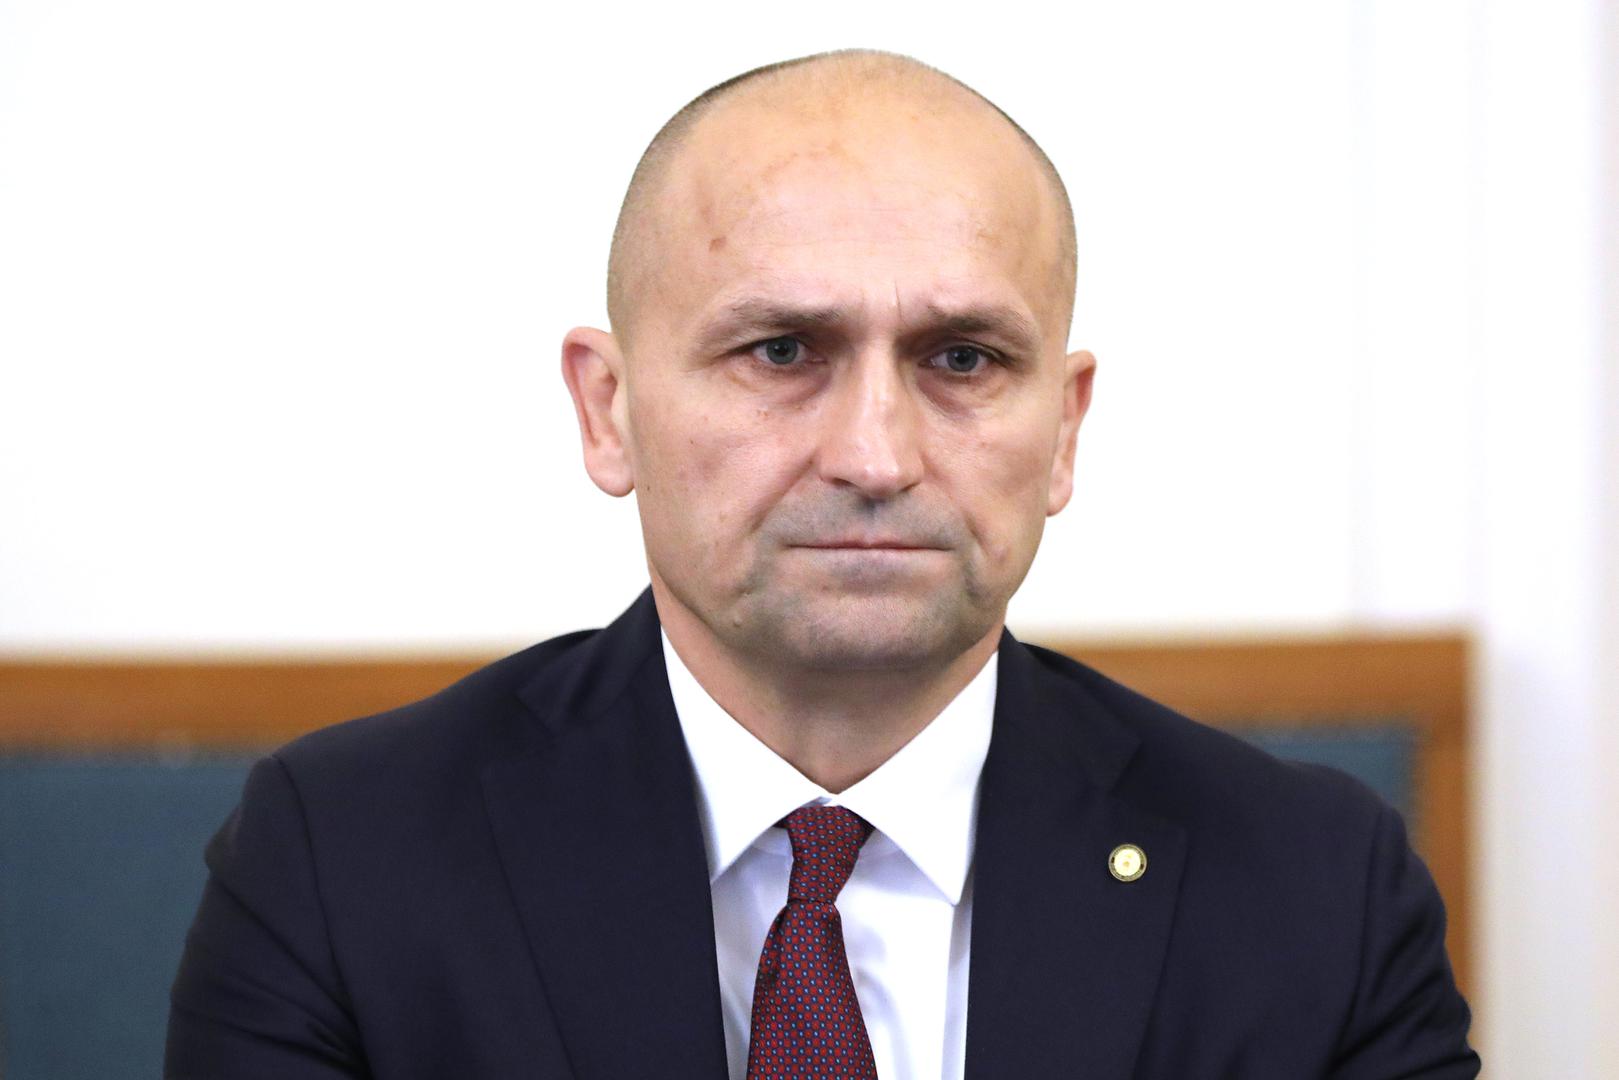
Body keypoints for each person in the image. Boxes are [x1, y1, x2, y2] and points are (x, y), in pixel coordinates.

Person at [164, 48, 1480, 1080]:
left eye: (962, 358)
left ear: (1065, 431)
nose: (875, 454)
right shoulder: (342, 863)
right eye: (782, 352)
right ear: (609, 412)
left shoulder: (1317, 891)